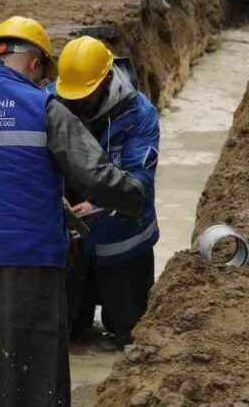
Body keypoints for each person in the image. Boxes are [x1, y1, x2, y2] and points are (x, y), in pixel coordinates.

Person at [0, 17, 144, 407]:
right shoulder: (42, 106)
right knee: (37, 370)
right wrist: (135, 197)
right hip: (29, 258)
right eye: (44, 73)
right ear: (33, 64)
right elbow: (95, 175)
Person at [54, 36, 159, 349]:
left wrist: (98, 206)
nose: (76, 104)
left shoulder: (139, 114)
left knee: (131, 336)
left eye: (84, 97)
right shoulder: (53, 102)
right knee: (68, 335)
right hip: (70, 246)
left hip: (124, 243)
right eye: (71, 97)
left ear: (107, 80)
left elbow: (139, 181)